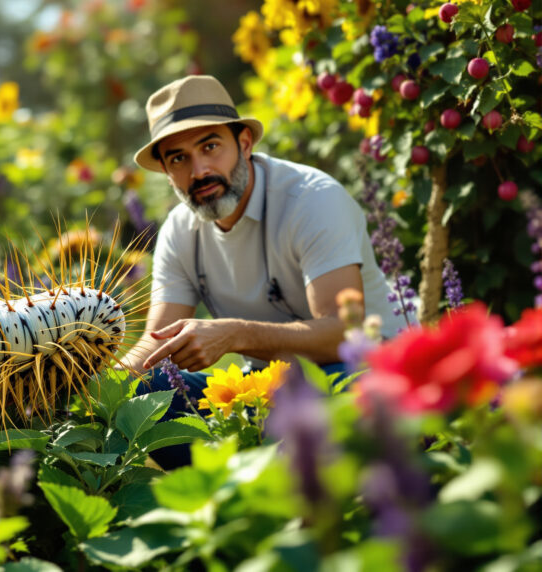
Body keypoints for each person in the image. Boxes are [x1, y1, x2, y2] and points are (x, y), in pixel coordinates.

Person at [123, 76, 409, 464]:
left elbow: (343, 333)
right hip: (265, 389)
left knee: (351, 387)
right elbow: (155, 344)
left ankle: (289, 485)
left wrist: (236, 334)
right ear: (165, 170)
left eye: (210, 146)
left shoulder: (311, 200)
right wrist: (89, 389)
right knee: (147, 391)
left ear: (244, 143)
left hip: (362, 371)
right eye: (178, 158)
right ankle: (233, 492)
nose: (199, 170)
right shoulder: (179, 230)